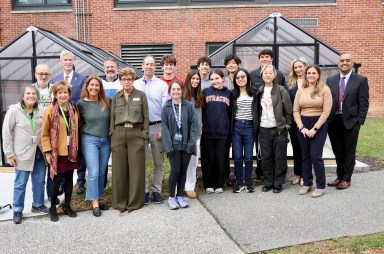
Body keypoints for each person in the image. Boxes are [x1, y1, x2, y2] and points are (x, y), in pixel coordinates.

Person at [2, 85, 49, 224]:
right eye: (28, 93)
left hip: (39, 151)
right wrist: (9, 154)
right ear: (22, 96)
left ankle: (38, 204)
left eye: (34, 93)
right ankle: (17, 209)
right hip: (22, 153)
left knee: (39, 181)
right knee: (20, 183)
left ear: (37, 96)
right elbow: (6, 133)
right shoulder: (14, 111)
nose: (31, 96)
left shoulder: (42, 110)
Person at [326, 53, 369, 190]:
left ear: (352, 63)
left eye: (347, 61)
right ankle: (339, 176)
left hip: (351, 121)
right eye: (342, 61)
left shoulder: (360, 80)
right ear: (338, 63)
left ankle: (346, 178)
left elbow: (364, 102)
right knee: (337, 151)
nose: (344, 63)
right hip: (334, 121)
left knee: (349, 151)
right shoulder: (330, 80)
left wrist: (359, 120)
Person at [110, 67, 149, 213]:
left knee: (136, 170)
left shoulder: (141, 95)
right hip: (119, 133)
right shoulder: (116, 97)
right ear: (120, 81)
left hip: (135, 133)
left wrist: (144, 134)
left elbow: (146, 116)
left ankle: (134, 202)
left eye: (129, 79)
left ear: (133, 80)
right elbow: (112, 117)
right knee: (119, 170)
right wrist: (112, 134)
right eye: (123, 79)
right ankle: (120, 202)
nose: (126, 81)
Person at [42, 80, 80, 221]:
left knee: (70, 179)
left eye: (65, 92)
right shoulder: (50, 110)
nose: (63, 95)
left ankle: (67, 206)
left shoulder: (73, 108)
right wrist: (47, 152)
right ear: (55, 94)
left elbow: (77, 127)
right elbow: (45, 133)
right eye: (60, 93)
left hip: (71, 151)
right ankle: (52, 208)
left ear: (69, 94)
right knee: (56, 180)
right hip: (57, 152)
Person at [51, 50, 87, 194]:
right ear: (61, 61)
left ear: (73, 61)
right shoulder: (55, 78)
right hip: (60, 121)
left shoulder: (82, 78)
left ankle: (80, 181)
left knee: (78, 151)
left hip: (76, 121)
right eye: (65, 60)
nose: (68, 62)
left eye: (70, 60)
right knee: (62, 151)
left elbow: (84, 98)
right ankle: (62, 183)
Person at [293, 65, 332, 198]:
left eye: (313, 73)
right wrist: (301, 127)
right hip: (303, 124)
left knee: (316, 156)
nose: (310, 75)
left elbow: (326, 111)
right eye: (308, 73)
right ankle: (307, 183)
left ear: (318, 74)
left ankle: (320, 186)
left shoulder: (324, 89)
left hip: (319, 124)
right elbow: (295, 111)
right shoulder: (301, 89)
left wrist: (315, 128)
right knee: (305, 156)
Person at [133, 56, 167, 205]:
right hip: (140, 128)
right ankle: (145, 191)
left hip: (157, 126)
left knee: (158, 162)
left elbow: (166, 108)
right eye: (146, 64)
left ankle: (156, 190)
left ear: (155, 67)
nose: (149, 67)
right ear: (142, 66)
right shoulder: (134, 84)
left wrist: (163, 128)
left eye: (152, 64)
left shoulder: (161, 85)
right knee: (142, 161)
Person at [77, 76, 111, 217]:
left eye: (97, 85)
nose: (94, 88)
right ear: (87, 86)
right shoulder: (80, 104)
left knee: (102, 172)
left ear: (100, 87)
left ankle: (98, 197)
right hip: (89, 140)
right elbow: (76, 123)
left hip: (106, 141)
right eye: (91, 85)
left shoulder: (107, 101)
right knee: (94, 171)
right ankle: (94, 203)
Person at [162, 80, 198, 209]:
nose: (176, 91)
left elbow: (194, 126)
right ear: (170, 92)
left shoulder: (188, 106)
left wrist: (191, 144)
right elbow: (164, 128)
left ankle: (180, 196)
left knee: (183, 171)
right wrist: (168, 147)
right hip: (173, 145)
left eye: (178, 89)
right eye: (173, 89)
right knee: (175, 170)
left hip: (186, 144)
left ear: (182, 91)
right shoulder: (166, 107)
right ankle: (171, 197)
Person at [259, 64, 292, 194]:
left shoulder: (281, 90)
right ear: (262, 75)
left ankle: (278, 183)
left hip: (279, 128)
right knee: (266, 157)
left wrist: (287, 123)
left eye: (270, 73)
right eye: (265, 73)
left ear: (274, 75)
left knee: (280, 157)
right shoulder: (259, 90)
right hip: (264, 128)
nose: (268, 75)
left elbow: (288, 108)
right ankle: (268, 182)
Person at [201, 69, 232, 194]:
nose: (215, 81)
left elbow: (230, 113)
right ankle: (208, 184)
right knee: (208, 159)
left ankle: (219, 183)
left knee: (220, 159)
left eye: (217, 78)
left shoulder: (229, 93)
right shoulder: (205, 92)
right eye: (212, 79)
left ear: (222, 78)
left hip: (223, 132)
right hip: (207, 131)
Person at [32, 64, 60, 205]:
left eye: (46, 74)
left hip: (53, 133)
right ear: (35, 74)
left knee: (53, 166)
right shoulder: (31, 90)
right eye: (40, 74)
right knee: (39, 168)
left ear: (50, 75)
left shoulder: (55, 89)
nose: (43, 76)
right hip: (36, 135)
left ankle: (51, 193)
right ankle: (37, 198)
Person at [231, 68, 260, 193]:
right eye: (238, 77)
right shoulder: (232, 94)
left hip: (250, 126)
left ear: (247, 78)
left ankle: (248, 181)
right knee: (237, 157)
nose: (240, 79)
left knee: (248, 157)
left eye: (243, 76)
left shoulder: (255, 92)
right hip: (236, 126)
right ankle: (239, 182)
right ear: (235, 80)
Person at [286, 57, 309, 185]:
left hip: (308, 119)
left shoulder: (311, 81)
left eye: (300, 66)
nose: (298, 69)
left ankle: (306, 175)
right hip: (295, 121)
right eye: (295, 67)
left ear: (305, 66)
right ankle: (298, 174)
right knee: (296, 147)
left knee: (306, 148)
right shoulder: (291, 84)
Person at [183, 70, 204, 199]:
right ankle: (180, 186)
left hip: (196, 134)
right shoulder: (183, 95)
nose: (195, 81)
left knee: (193, 162)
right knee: (181, 161)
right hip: (183, 134)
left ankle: (190, 187)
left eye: (198, 79)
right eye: (193, 78)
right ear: (188, 79)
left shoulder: (200, 96)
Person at [101, 58, 121, 189]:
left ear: (117, 68)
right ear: (104, 69)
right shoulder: (100, 83)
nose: (110, 69)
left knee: (118, 158)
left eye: (112, 67)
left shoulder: (122, 83)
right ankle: (102, 186)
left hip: (118, 126)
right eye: (107, 67)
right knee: (103, 160)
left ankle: (118, 186)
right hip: (103, 126)